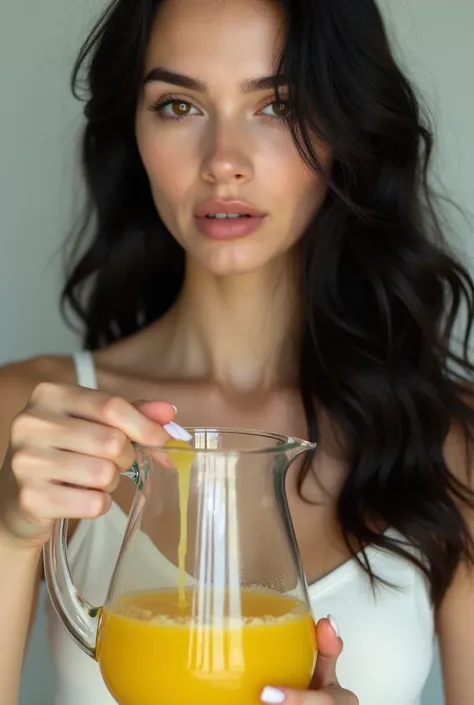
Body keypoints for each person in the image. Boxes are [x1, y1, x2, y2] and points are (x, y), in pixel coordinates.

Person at [0, 0, 473, 703]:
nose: (224, 161)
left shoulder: (451, 436)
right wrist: (12, 534)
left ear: (349, 127)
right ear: (133, 129)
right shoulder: (30, 417)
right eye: (179, 105)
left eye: (279, 104)